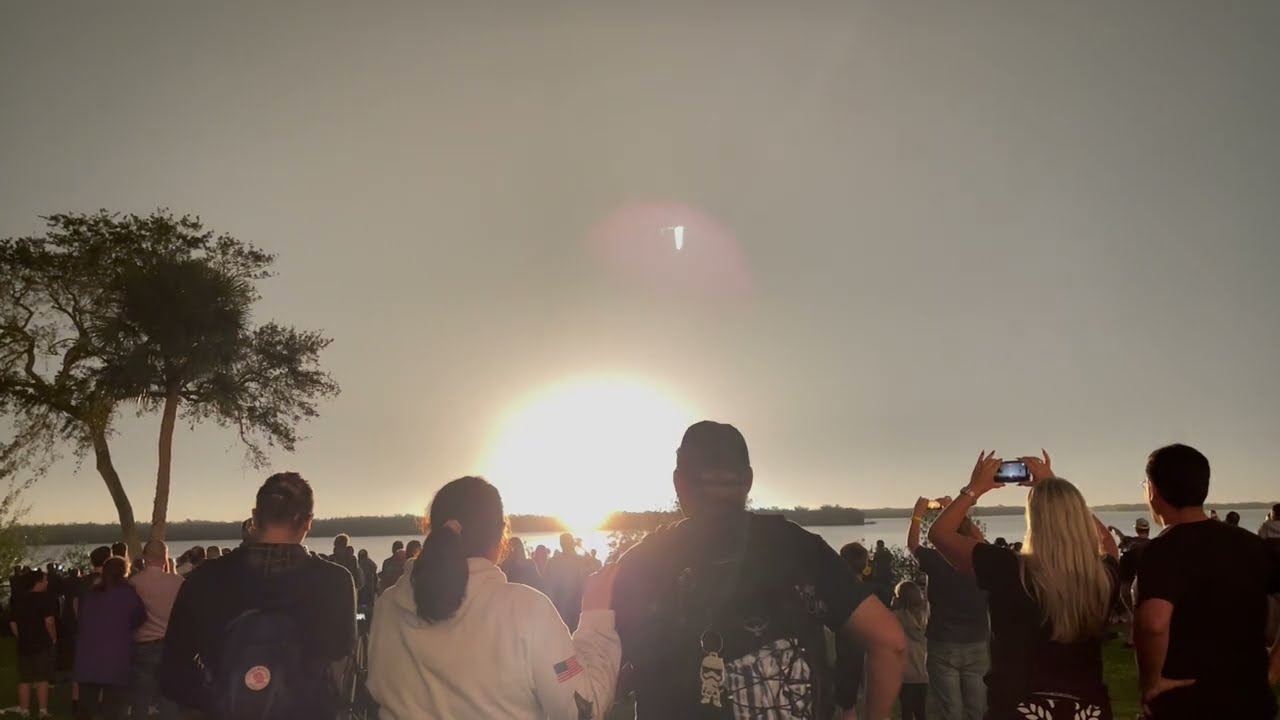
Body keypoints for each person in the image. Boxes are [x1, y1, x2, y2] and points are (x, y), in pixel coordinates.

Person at [613, 421, 906, 720]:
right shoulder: (802, 549)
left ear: (679, 483)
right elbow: (889, 641)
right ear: (748, 480)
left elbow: (598, 673)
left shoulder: (640, 564)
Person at [367, 476, 621, 719]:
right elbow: (582, 711)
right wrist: (595, 620)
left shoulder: (388, 606)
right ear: (501, 536)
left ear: (434, 533)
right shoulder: (527, 610)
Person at [929, 451, 1120, 720]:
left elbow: (940, 533)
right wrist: (1057, 488)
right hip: (1088, 710)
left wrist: (974, 489)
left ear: (1034, 520)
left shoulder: (1008, 568)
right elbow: (1107, 542)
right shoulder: (1102, 577)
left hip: (1018, 707)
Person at [160, 472, 357, 718]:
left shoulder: (205, 578)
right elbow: (341, 659)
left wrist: (218, 700)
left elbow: (173, 672)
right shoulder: (334, 581)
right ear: (308, 522)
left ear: (254, 517)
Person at [1134, 444, 1280, 719]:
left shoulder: (1163, 549)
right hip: (1251, 701)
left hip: (1186, 703)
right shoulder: (1252, 544)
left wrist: (1151, 681)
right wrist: (1274, 665)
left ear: (1152, 490)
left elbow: (1154, 623)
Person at [908, 496, 990, 720]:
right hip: (977, 642)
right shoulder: (982, 561)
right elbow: (980, 540)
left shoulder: (935, 559)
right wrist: (957, 511)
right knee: (978, 709)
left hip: (943, 643)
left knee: (950, 710)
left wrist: (917, 514)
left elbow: (913, 545)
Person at [75, 557, 145, 720]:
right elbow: (139, 618)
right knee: (114, 708)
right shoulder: (128, 594)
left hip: (89, 655)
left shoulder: (91, 594)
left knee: (86, 707)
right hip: (116, 655)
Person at [129, 540, 183, 720]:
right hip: (171, 644)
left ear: (145, 557)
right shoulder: (178, 582)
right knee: (170, 695)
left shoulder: (134, 583)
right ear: (165, 557)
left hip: (143, 643)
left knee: (141, 695)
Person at [10, 569, 57, 718]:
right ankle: (42, 710)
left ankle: (24, 709)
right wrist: (53, 638)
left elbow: (13, 622)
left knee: (25, 679)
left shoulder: (18, 599)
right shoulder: (44, 599)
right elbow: (49, 622)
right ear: (38, 582)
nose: (47, 582)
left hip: (24, 643)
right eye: (45, 580)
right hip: (42, 643)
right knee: (42, 678)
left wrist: (21, 636)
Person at [835, 542, 871, 717]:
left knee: (848, 705)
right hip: (871, 652)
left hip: (848, 654)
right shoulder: (873, 590)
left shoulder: (839, 593)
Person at [894, 580, 930, 720]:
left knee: (907, 712)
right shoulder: (926, 614)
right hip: (923, 672)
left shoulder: (897, 617)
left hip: (905, 675)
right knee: (921, 713)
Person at [544, 532, 590, 631]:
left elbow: (547, 583)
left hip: (564, 602)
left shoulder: (553, 561)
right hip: (570, 602)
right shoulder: (579, 560)